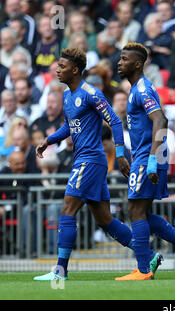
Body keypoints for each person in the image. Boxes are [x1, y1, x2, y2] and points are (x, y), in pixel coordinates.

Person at [32, 48, 139, 281]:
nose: (57, 69)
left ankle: (60, 271)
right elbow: (69, 127)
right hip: (88, 160)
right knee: (104, 219)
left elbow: (115, 121)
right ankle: (147, 254)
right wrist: (49, 140)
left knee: (67, 209)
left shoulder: (91, 93)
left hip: (90, 160)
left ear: (75, 70)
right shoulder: (68, 95)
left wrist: (120, 155)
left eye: (61, 66)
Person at [115, 42, 175, 280]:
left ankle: (144, 269)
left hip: (148, 156)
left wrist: (152, 159)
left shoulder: (143, 89)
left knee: (135, 210)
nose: (119, 62)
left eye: (124, 59)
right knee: (139, 211)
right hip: (144, 155)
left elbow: (160, 121)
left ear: (137, 64)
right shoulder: (135, 89)